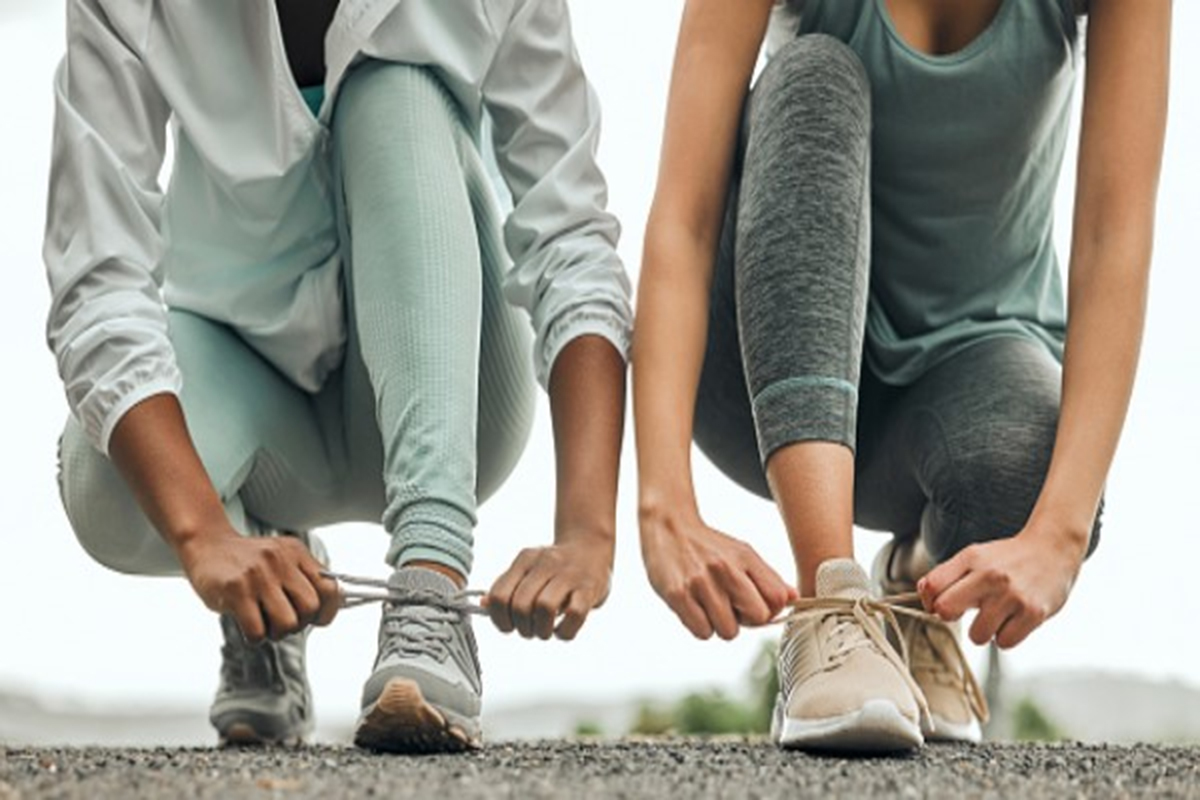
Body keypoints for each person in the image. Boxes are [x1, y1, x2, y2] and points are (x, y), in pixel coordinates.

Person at [47, 0, 631, 752]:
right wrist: (206, 538)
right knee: (102, 488)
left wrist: (587, 531)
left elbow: (570, 237)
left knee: (395, 89)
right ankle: (270, 591)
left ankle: (431, 587)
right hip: (249, 376)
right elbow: (98, 276)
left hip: (458, 393)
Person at [634, 0, 1170, 751]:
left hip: (957, 376)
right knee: (816, 77)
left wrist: (1059, 533)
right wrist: (665, 509)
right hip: (758, 368)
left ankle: (913, 587)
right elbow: (682, 219)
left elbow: (1116, 233)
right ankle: (832, 606)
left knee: (1034, 466)